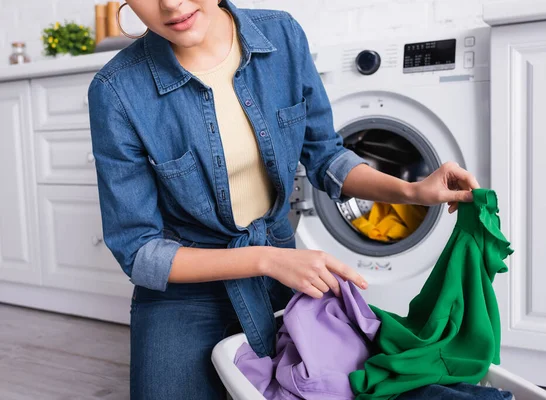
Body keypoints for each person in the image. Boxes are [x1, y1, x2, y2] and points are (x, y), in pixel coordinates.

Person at [87, 0, 480, 398]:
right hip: (187, 291)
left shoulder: (281, 37)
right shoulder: (116, 91)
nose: (171, 3)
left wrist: (411, 191)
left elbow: (326, 155)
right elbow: (140, 252)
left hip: (279, 270)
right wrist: (268, 260)